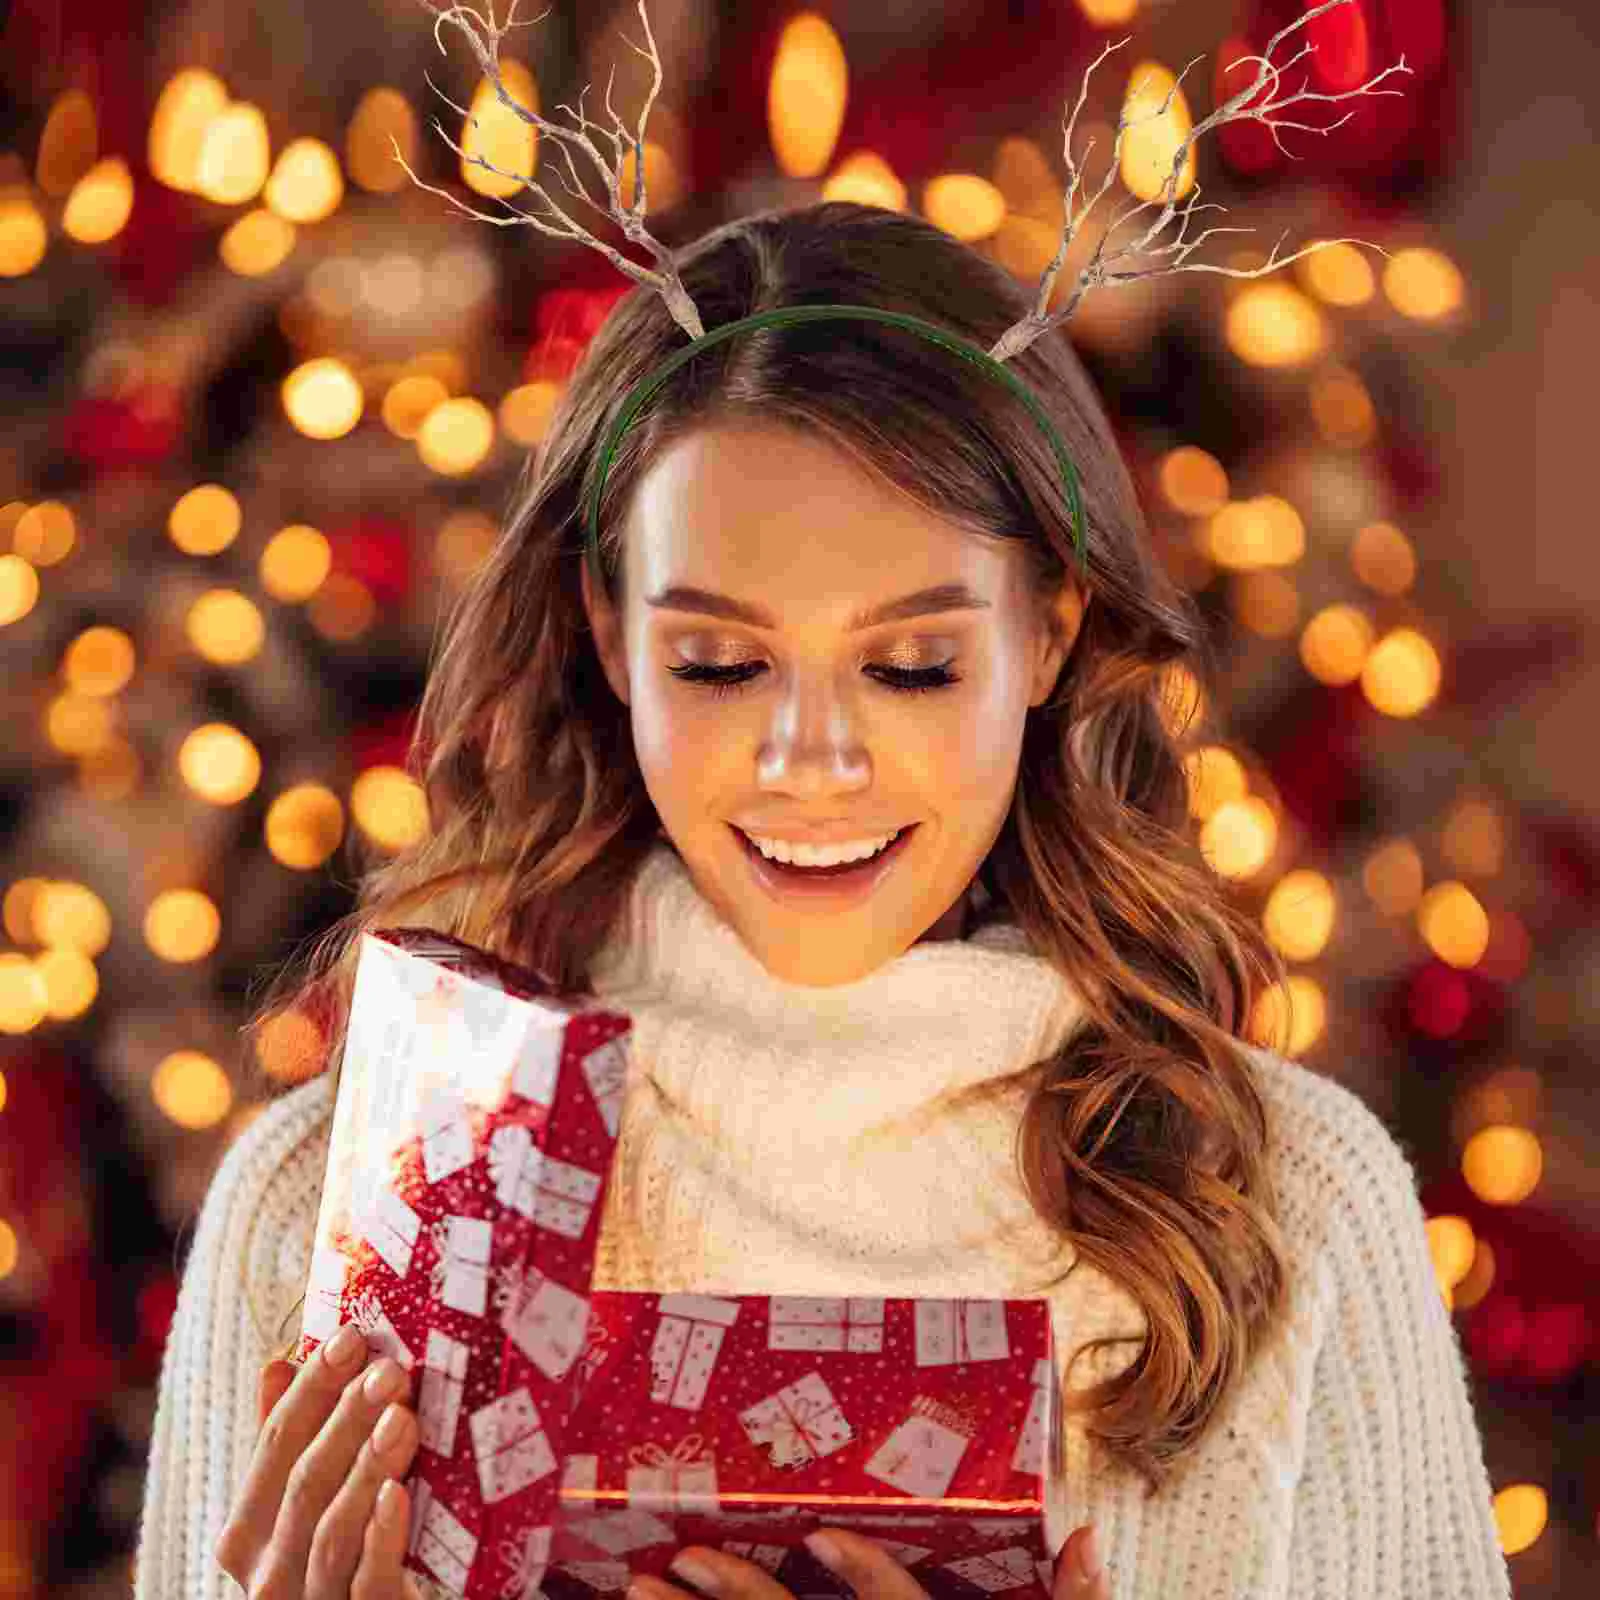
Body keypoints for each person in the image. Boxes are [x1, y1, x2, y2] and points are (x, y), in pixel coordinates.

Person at [131, 200, 1512, 1600]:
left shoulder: (1285, 1212)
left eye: (910, 665)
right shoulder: (324, 1219)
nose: (812, 763)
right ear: (611, 636)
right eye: (721, 667)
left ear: (1050, 632)